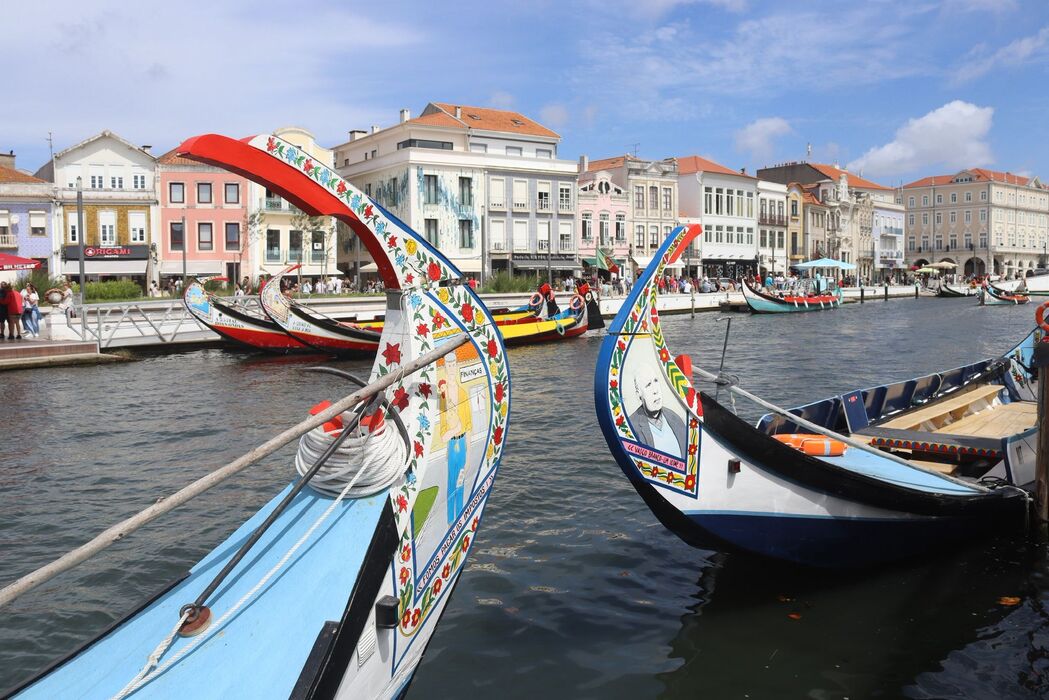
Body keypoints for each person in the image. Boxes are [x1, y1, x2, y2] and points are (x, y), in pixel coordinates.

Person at [438, 349, 471, 525]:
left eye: (453, 364)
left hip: (462, 444)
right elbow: (442, 432)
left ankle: (460, 517)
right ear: (445, 367)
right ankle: (451, 520)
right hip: (452, 444)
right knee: (452, 483)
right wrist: (453, 430)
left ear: (456, 366)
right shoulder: (442, 396)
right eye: (448, 365)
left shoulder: (463, 393)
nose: (451, 368)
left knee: (461, 480)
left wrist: (470, 454)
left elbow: (469, 426)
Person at [629, 364, 687, 459]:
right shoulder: (631, 426)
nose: (655, 390)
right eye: (648, 385)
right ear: (638, 395)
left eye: (656, 381)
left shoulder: (675, 418)